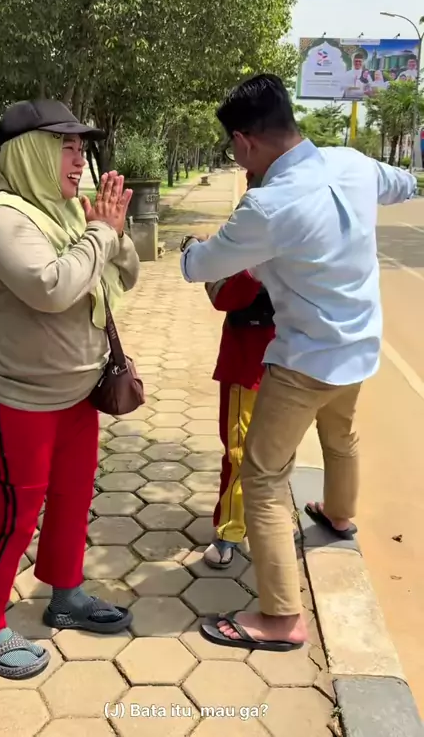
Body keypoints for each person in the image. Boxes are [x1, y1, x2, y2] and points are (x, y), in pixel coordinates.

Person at [180, 74, 416, 653]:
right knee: (341, 436)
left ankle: (281, 617)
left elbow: (201, 268)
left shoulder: (266, 205)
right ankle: (339, 515)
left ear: (244, 141)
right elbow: (404, 183)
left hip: (305, 361)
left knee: (262, 478)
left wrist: (191, 247)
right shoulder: (352, 163)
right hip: (359, 347)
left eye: (233, 149)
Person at [0, 99, 140, 680]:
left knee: (74, 496)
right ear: (30, 153)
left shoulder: (67, 210)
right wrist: (101, 234)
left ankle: (66, 594)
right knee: (14, 512)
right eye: (66, 147)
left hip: (75, 389)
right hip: (14, 394)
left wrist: (111, 234)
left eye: (82, 148)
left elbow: (125, 273)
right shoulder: (1, 219)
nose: (79, 160)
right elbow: (52, 288)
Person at [199, 172, 277, 569]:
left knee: (266, 452)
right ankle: (235, 528)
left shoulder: (303, 231)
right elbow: (223, 293)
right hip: (254, 361)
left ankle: (255, 524)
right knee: (244, 449)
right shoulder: (241, 234)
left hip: (281, 362)